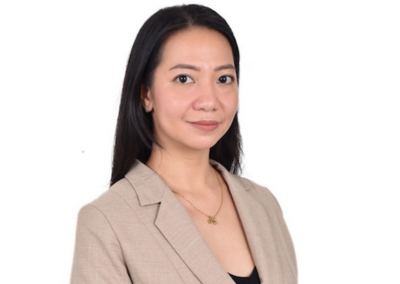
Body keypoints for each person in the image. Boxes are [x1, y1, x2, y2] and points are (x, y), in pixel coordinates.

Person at [70, 4, 297, 284]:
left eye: (224, 79)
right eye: (184, 79)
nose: (209, 101)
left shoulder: (263, 204)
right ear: (146, 94)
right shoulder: (108, 221)